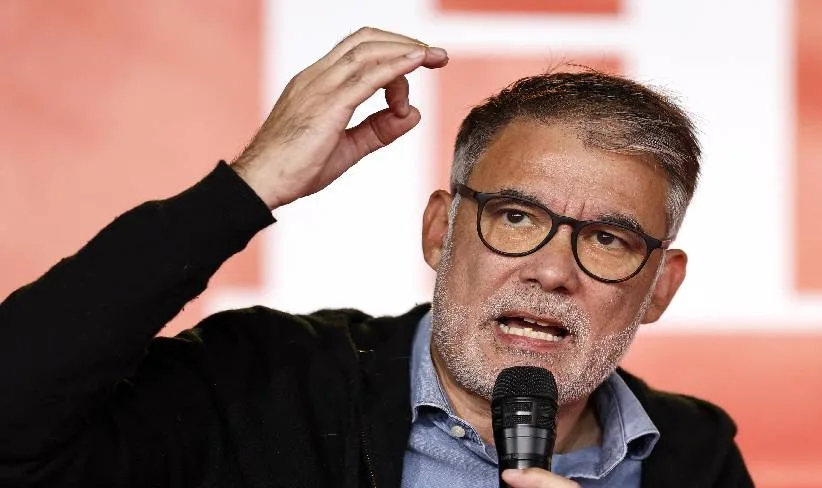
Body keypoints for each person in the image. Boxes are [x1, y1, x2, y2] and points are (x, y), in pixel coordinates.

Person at [0, 27, 753, 488]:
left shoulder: (695, 457)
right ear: (440, 232)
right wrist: (247, 187)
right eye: (516, 217)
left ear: (660, 288)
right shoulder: (262, 382)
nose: (552, 272)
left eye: (608, 240)